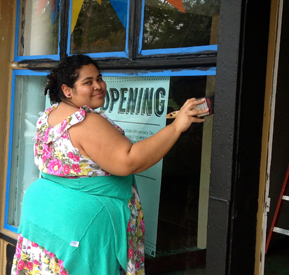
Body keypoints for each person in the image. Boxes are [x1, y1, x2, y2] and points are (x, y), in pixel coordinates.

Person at [11, 54, 208, 275]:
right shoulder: (85, 122)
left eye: (99, 78)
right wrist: (176, 127)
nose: (98, 86)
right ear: (68, 90)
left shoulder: (48, 116)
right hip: (83, 229)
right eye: (88, 82)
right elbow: (130, 161)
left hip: (48, 219)